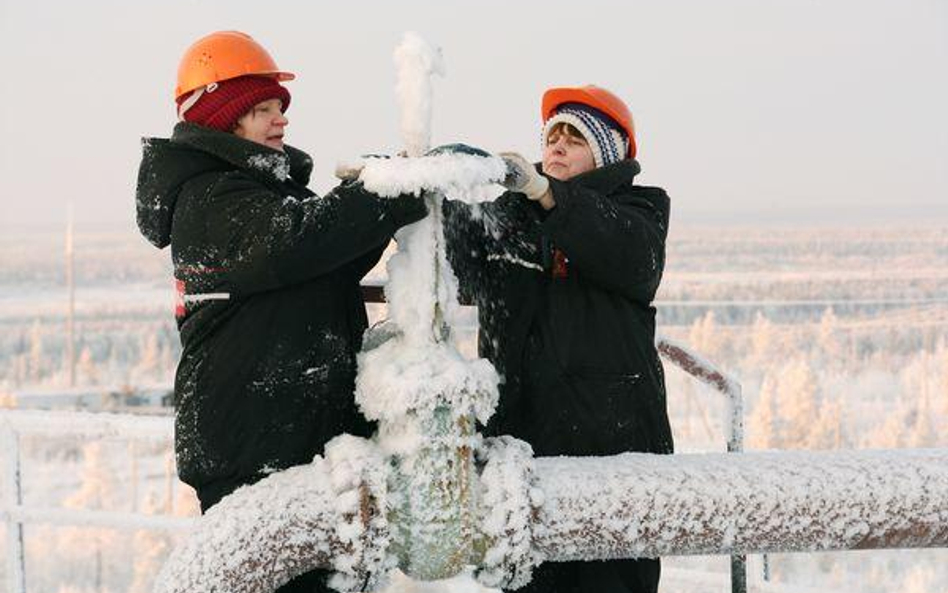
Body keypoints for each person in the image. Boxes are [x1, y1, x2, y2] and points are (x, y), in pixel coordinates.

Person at [136, 31, 427, 592]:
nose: (281, 120)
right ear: (223, 118)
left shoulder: (260, 192)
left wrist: (387, 190)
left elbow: (328, 256)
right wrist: (392, 189)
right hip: (251, 449)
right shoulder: (210, 198)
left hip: (292, 440)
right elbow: (300, 241)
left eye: (279, 108)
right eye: (263, 109)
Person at [444, 85, 674, 593]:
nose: (558, 147)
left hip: (614, 448)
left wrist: (548, 196)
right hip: (522, 444)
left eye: (576, 137)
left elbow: (633, 258)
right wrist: (427, 188)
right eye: (553, 136)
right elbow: (460, 266)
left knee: (613, 581)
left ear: (608, 152)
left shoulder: (640, 209)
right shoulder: (512, 211)